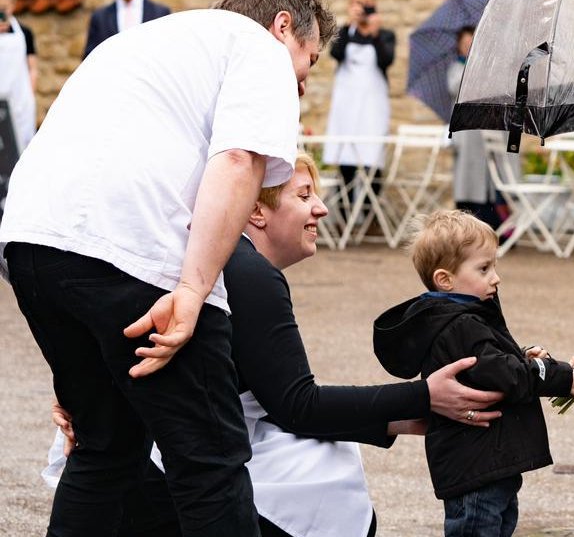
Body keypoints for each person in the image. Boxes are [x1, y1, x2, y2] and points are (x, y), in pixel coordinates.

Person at [0, 0, 334, 536]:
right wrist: (192, 291)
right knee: (210, 460)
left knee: (104, 444)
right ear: (283, 27)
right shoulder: (257, 49)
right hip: (131, 248)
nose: (302, 84)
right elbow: (237, 162)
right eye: (310, 61)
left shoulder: (141, 42)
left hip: (31, 241)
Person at [44, 153, 506, 537]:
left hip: (149, 446)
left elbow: (274, 393)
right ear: (255, 211)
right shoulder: (249, 272)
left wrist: (401, 416)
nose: (321, 208)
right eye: (304, 196)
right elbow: (297, 405)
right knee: (328, 473)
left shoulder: (229, 261)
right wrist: (426, 396)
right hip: (162, 464)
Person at [373, 210, 574, 537]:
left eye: (494, 266)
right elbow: (508, 376)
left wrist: (521, 355)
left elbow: (489, 366)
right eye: (483, 268)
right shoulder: (460, 324)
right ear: (445, 279)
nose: (496, 277)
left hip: (487, 464)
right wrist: (560, 376)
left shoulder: (466, 318)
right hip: (477, 470)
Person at [323, 0, 396, 211]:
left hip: (372, 107)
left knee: (372, 158)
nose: (363, 8)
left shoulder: (385, 35)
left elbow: (386, 61)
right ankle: (346, 214)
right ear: (351, 6)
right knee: (346, 158)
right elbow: (336, 53)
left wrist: (374, 35)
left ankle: (368, 212)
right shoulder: (344, 32)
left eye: (367, 3)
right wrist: (350, 24)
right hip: (347, 106)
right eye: (358, 3)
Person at [447, 26, 501, 228]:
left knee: (484, 181)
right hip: (465, 133)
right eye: (465, 44)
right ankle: (464, 224)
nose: (469, 48)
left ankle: (489, 223)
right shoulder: (456, 69)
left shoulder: (488, 69)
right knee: (466, 180)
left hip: (483, 131)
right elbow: (454, 88)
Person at [0, 0, 36, 152]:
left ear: (12, 6)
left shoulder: (25, 33)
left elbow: (32, 67)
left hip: (20, 103)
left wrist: (29, 95)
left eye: (3, 8)